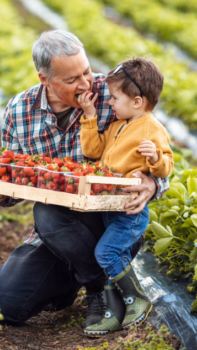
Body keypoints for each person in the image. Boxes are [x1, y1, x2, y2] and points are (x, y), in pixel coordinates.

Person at [0, 30, 169, 336]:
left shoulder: (115, 94)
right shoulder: (19, 111)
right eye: (71, 79)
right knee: (0, 305)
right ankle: (72, 282)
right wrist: (1, 191)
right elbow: (18, 173)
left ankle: (98, 292)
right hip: (55, 236)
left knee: (48, 211)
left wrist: (154, 185)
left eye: (87, 71)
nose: (86, 83)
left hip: (107, 224)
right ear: (45, 79)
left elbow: (159, 156)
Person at [77, 57, 173, 336]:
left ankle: (138, 299)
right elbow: (94, 151)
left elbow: (167, 163)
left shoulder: (151, 128)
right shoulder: (119, 126)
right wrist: (90, 116)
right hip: (110, 207)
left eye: (114, 98)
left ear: (137, 101)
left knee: (105, 253)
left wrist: (155, 158)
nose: (110, 102)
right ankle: (115, 309)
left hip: (130, 211)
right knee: (112, 257)